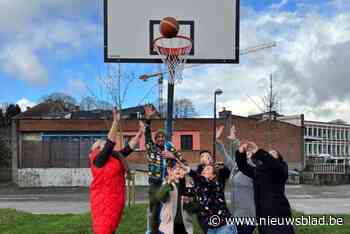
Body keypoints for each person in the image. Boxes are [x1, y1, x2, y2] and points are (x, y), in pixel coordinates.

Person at [89, 108, 144, 234]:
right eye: (100, 143)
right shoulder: (98, 160)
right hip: (103, 200)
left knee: (110, 228)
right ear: (97, 149)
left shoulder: (115, 157)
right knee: (103, 230)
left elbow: (128, 148)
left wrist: (140, 133)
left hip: (115, 199)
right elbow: (110, 143)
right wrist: (116, 121)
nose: (103, 143)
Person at [236, 141, 295, 234]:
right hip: (263, 214)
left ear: (278, 158)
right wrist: (241, 152)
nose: (269, 155)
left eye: (273, 154)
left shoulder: (281, 168)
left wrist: (258, 151)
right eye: (268, 153)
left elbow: (274, 165)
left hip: (278, 214)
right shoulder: (259, 171)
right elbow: (243, 167)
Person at [143, 105, 183, 234]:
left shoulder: (170, 148)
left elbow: (183, 161)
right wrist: (148, 119)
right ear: (155, 140)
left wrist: (172, 156)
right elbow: (147, 133)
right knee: (154, 210)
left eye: (162, 137)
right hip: (154, 183)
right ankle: (153, 231)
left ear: (165, 138)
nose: (160, 139)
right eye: (158, 137)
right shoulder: (151, 147)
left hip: (169, 182)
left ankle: (167, 230)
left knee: (169, 208)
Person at [215, 125, 256, 234]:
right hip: (235, 214)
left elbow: (243, 156)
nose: (247, 153)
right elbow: (225, 156)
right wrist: (217, 140)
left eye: (249, 151)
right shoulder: (235, 167)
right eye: (245, 151)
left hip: (249, 215)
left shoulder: (254, 168)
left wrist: (235, 141)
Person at [178, 162, 238, 234]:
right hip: (211, 229)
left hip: (225, 227)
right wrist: (181, 178)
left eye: (208, 169)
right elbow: (184, 192)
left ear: (213, 176)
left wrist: (188, 170)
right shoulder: (199, 188)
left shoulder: (216, 185)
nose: (204, 171)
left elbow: (201, 179)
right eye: (204, 169)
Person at [157, 163, 194, 234]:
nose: (178, 169)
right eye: (175, 168)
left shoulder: (189, 186)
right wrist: (169, 182)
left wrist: (188, 202)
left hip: (185, 224)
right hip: (170, 224)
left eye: (181, 168)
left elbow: (193, 208)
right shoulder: (167, 184)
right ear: (172, 172)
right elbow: (160, 197)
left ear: (185, 172)